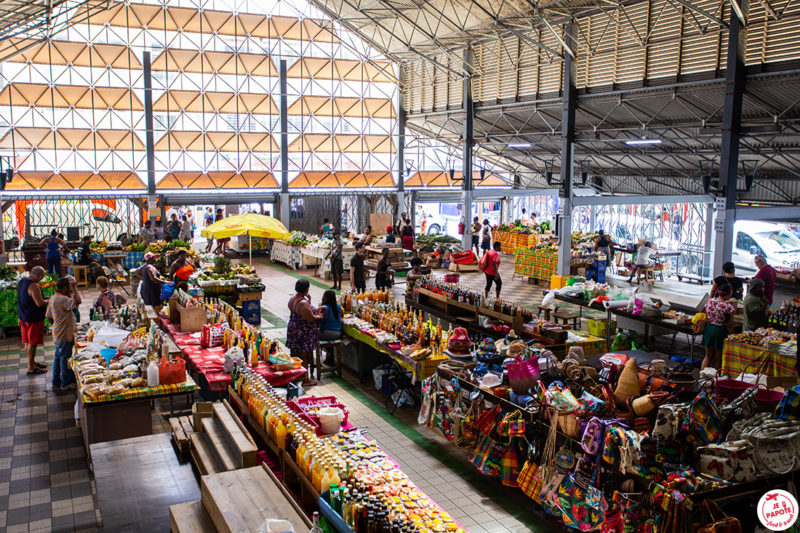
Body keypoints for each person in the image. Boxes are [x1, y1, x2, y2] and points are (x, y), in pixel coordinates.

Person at [45, 277, 78, 391]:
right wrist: (74, 291)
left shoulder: (53, 298)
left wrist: (57, 324)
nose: (69, 289)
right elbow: (75, 303)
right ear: (64, 288)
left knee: (58, 357)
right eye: (68, 287)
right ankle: (65, 383)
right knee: (65, 358)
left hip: (57, 333)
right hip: (64, 334)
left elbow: (49, 316)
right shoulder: (63, 299)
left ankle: (55, 381)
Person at [286, 279, 321, 385]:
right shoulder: (303, 303)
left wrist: (309, 299)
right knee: (304, 354)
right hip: (303, 331)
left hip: (293, 328)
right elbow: (310, 318)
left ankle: (295, 375)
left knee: (295, 352)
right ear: (307, 289)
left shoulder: (293, 298)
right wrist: (318, 316)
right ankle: (305, 379)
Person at [18, 266, 48, 375]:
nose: (42, 278)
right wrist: (49, 300)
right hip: (33, 318)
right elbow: (39, 303)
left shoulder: (23, 281)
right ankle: (31, 367)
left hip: (23, 315)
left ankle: (33, 362)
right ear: (38, 275)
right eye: (42, 276)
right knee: (32, 343)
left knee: (27, 341)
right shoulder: (34, 285)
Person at [701, 284, 735, 369]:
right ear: (728, 294)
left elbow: (706, 315)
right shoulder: (728, 307)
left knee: (708, 356)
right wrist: (733, 336)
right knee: (718, 359)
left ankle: (702, 377)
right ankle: (715, 379)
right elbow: (730, 325)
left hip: (709, 329)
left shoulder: (710, 301)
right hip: (720, 331)